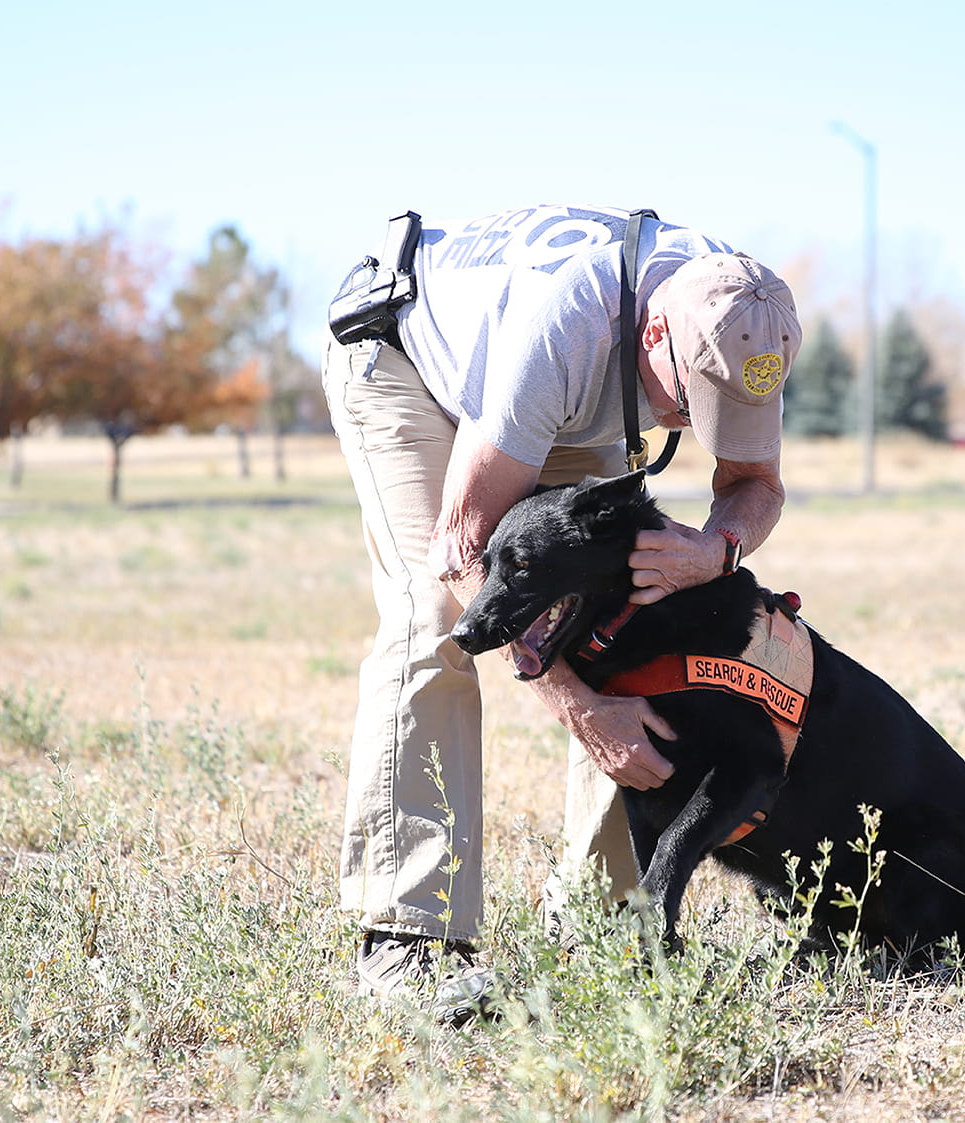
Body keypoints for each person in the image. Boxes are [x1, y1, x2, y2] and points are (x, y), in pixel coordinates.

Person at [321, 204, 801, 1023]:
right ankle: (406, 936)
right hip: (398, 348)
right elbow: (460, 551)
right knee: (436, 617)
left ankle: (597, 925)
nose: (692, 426)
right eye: (691, 403)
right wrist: (582, 708)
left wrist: (713, 552)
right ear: (655, 338)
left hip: (565, 385)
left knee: (629, 607)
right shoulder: (566, 333)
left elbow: (755, 487)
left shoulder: (738, 315)